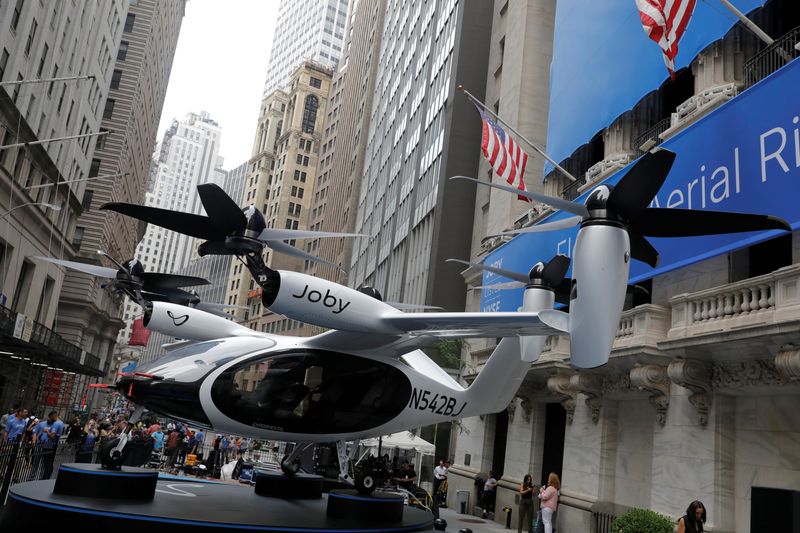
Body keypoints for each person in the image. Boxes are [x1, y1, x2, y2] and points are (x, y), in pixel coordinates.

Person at [33, 411, 64, 479]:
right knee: (40, 462)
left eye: (50, 417)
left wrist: (47, 431)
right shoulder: (59, 423)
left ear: (53, 416)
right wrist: (34, 442)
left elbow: (53, 436)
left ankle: (44, 477)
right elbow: (35, 432)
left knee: (46, 464)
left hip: (49, 446)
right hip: (43, 445)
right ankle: (40, 477)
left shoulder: (57, 424)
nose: (49, 418)